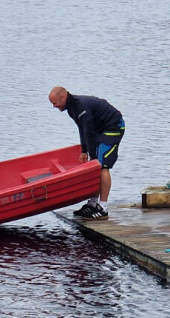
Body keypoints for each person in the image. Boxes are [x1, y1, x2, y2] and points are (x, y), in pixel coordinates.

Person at [48, 86, 125, 219]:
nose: (54, 106)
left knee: (102, 166)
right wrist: (84, 151)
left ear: (63, 97)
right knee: (94, 166)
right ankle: (93, 203)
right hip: (99, 129)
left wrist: (93, 157)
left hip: (113, 126)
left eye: (55, 103)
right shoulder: (71, 108)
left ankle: (103, 207)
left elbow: (88, 130)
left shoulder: (80, 106)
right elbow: (83, 128)